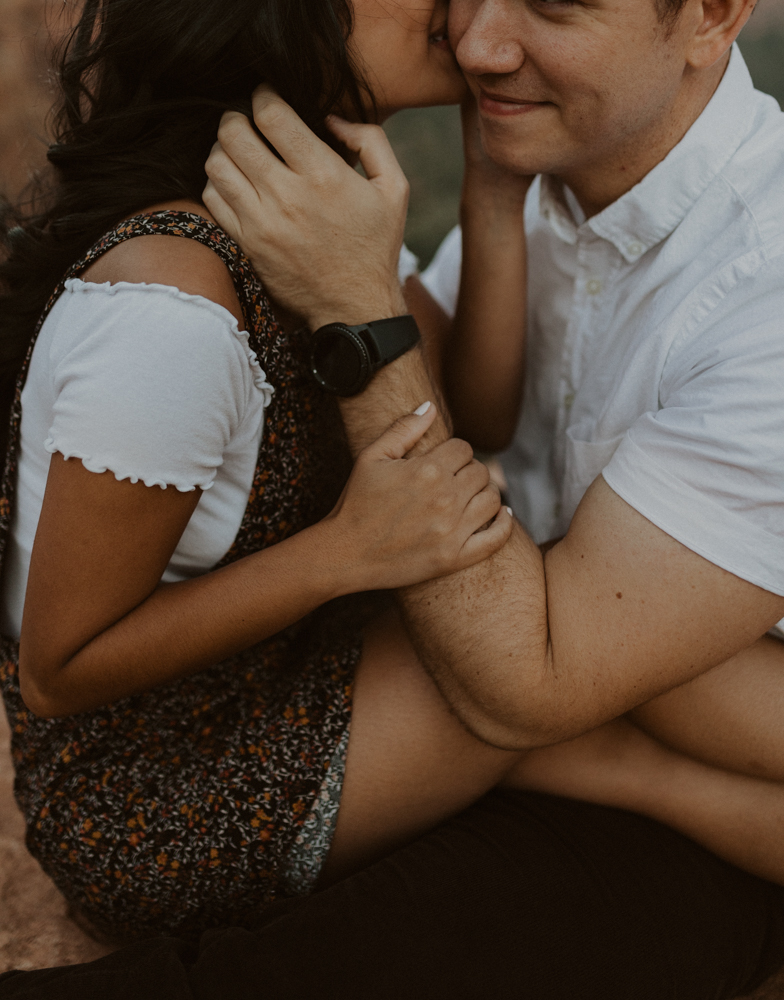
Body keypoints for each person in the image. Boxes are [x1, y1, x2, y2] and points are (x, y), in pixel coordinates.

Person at [2, 0, 784, 996]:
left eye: (543, 4)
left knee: (544, 656)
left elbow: (477, 413)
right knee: (529, 658)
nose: (469, 32)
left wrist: (489, 198)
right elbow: (55, 669)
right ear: (274, 29)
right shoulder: (170, 309)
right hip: (164, 781)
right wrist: (339, 554)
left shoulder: (327, 227)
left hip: (296, 669)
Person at [201, 0, 784, 886]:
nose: (476, 46)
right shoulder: (558, 164)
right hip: (564, 686)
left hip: (666, 713)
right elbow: (477, 411)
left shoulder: (763, 287)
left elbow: (530, 678)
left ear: (711, 16)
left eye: (552, 4)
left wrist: (358, 314)